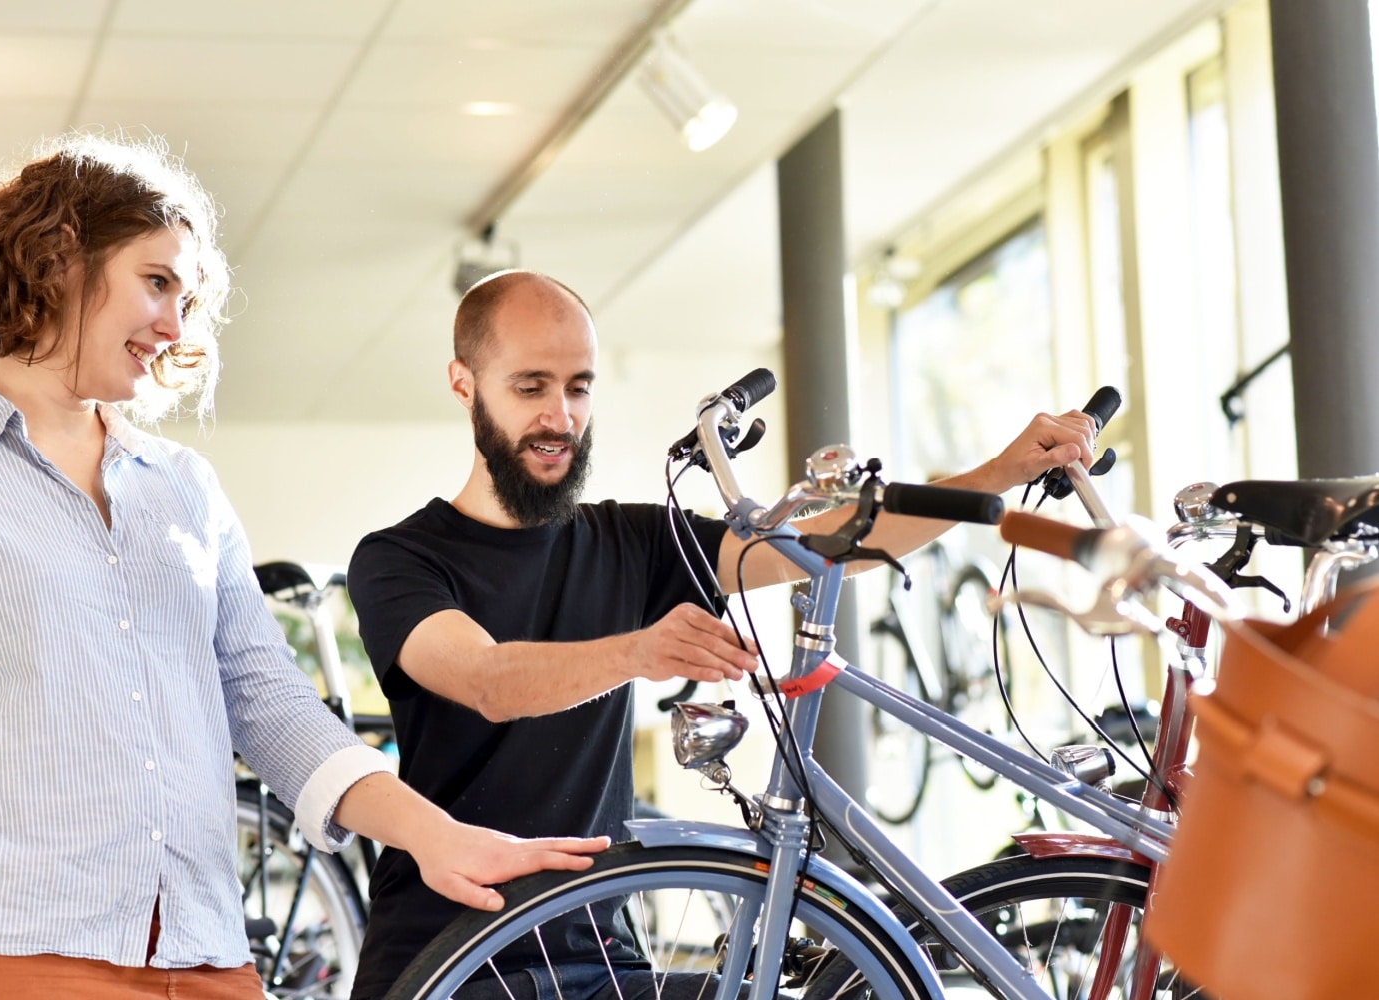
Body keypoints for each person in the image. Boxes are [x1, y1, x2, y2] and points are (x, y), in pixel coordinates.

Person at [0, 136, 605, 1000]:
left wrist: (432, 833)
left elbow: (267, 699)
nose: (175, 328)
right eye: (156, 283)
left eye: (186, 300)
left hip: (203, 956)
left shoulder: (182, 488)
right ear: (59, 256)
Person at [344, 269, 1099, 1000]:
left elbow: (824, 540)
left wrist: (998, 471)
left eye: (579, 388)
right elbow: (488, 681)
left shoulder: (627, 540)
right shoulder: (399, 560)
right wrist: (639, 650)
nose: (561, 417)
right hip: (450, 962)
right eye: (530, 387)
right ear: (463, 384)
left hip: (600, 961)